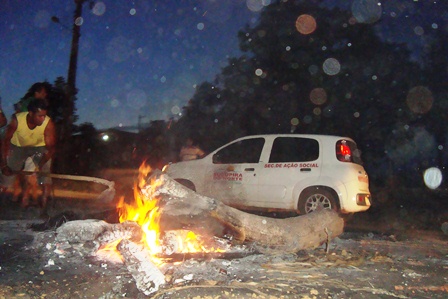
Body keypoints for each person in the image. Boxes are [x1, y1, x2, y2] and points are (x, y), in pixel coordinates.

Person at [1, 99, 56, 208]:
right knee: (6, 176)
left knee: (45, 175)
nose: (43, 118)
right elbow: (5, 142)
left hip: (38, 148)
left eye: (44, 116)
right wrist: (4, 164)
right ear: (30, 113)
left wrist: (39, 165)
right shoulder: (17, 120)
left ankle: (44, 208)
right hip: (17, 147)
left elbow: (51, 149)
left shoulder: (48, 124)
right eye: (39, 116)